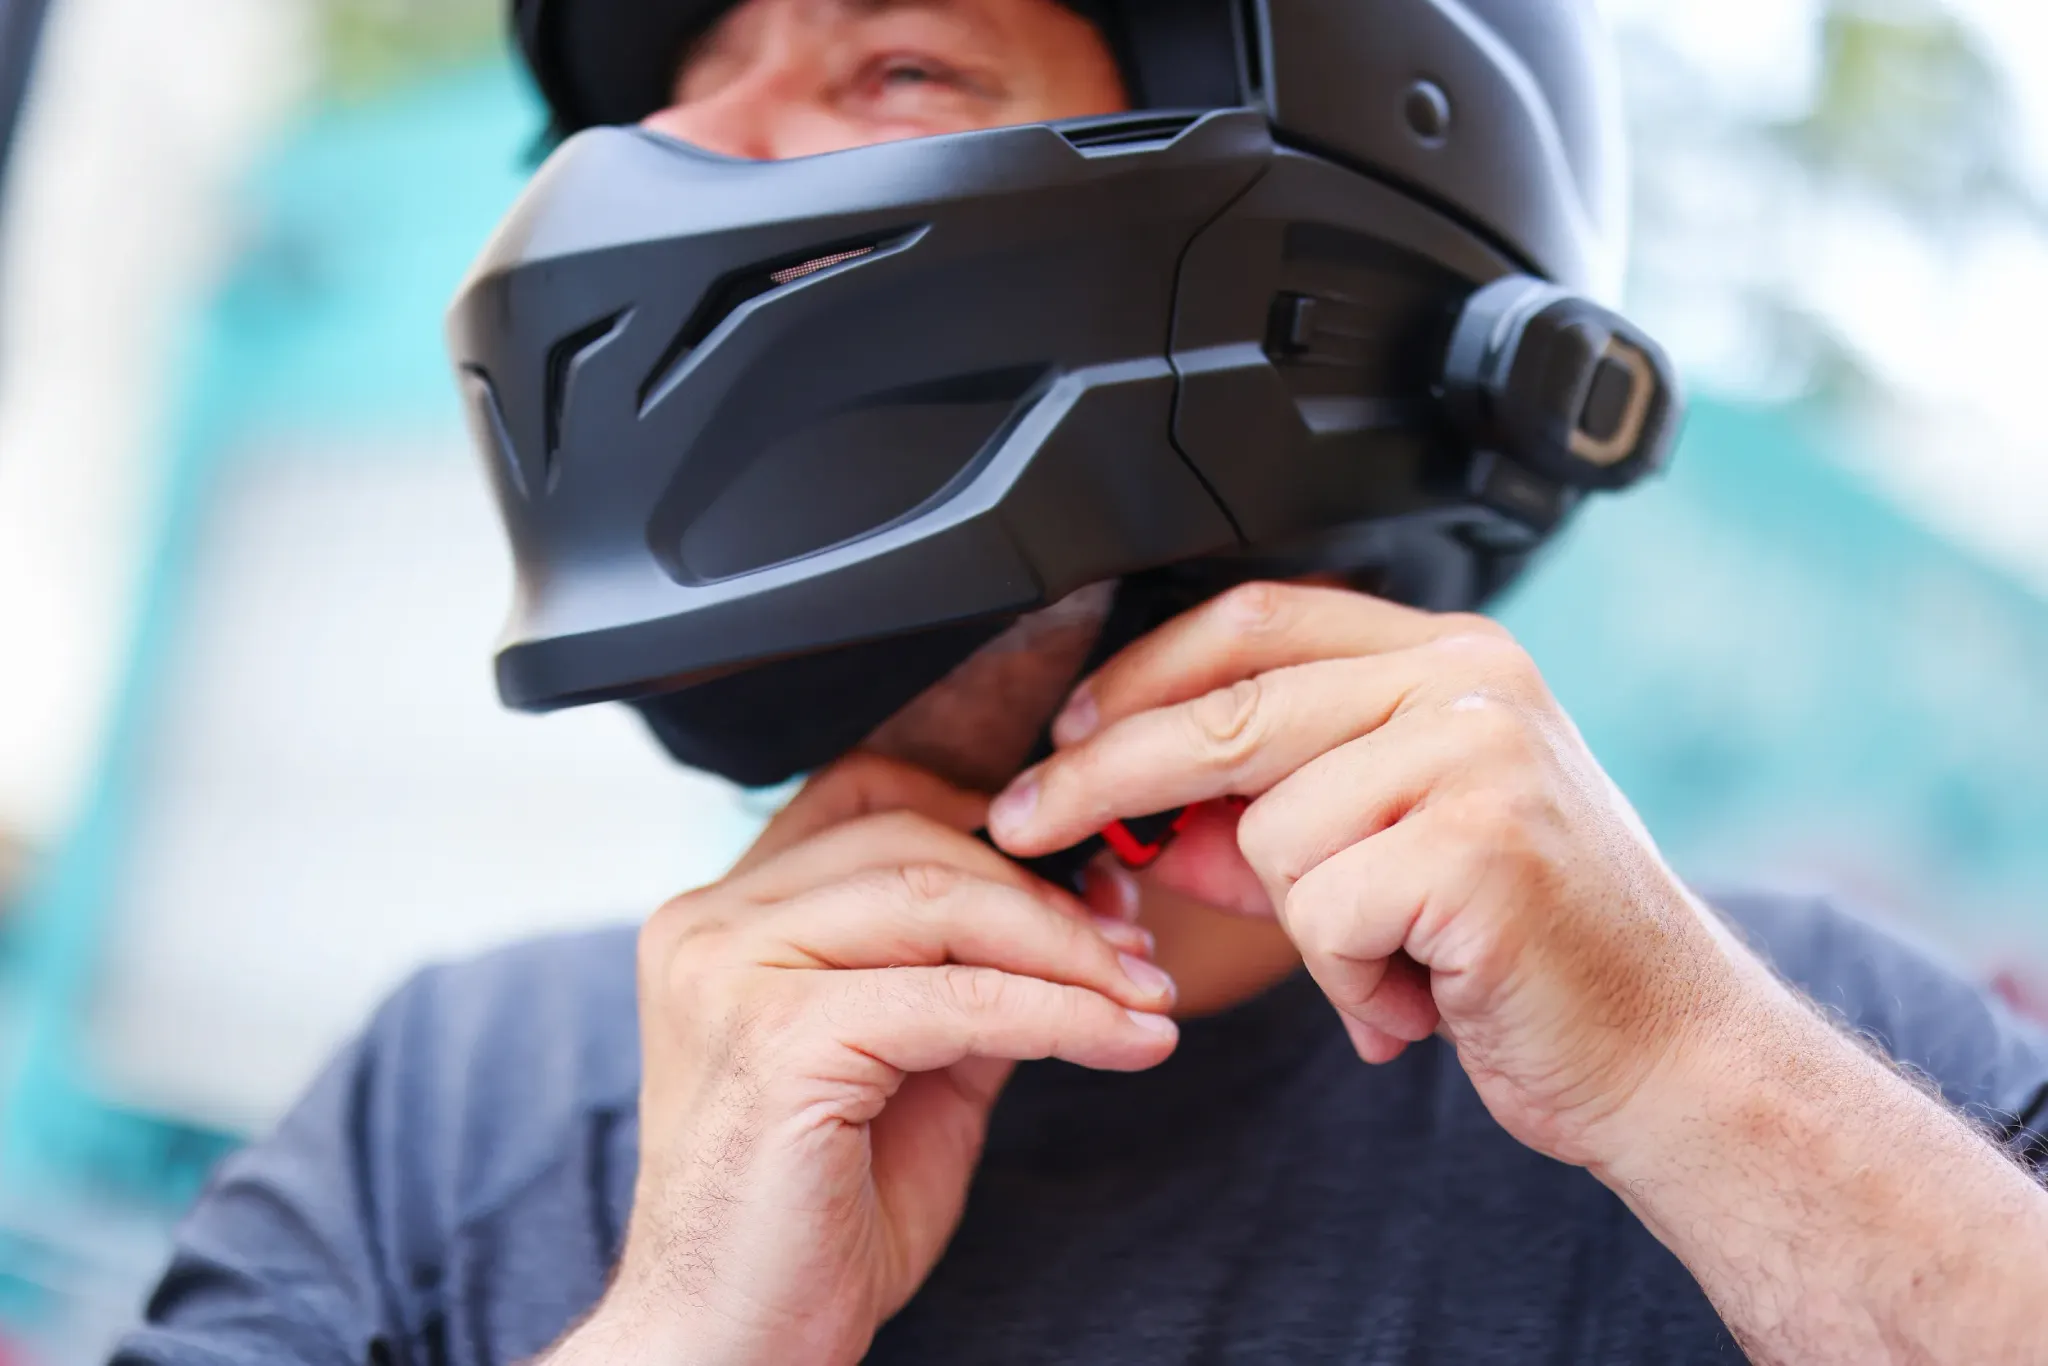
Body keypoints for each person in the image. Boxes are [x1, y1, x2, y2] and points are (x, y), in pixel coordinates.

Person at [116, 1, 2048, 1363]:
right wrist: (686, 1332)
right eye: (685, 87)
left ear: (1327, 286)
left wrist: (1694, 1076)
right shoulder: (450, 1105)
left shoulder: (1823, 1057)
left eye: (894, 63)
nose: (670, 160)